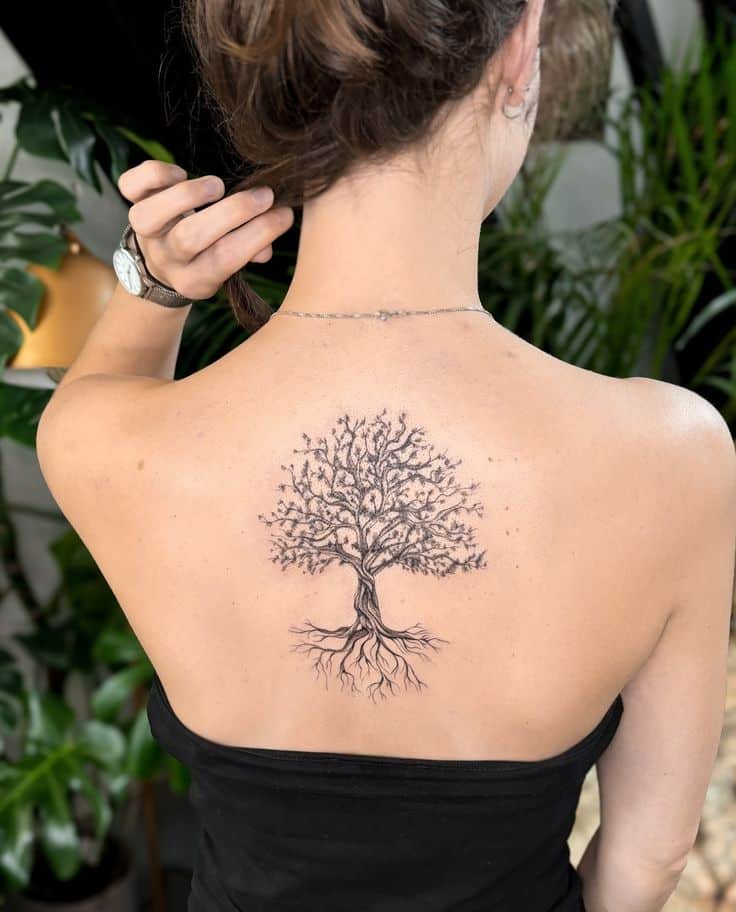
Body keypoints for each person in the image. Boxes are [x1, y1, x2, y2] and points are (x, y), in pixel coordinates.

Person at [35, 1, 736, 910]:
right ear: (522, 46)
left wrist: (151, 285)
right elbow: (651, 856)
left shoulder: (103, 448)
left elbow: (96, 394)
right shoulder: (674, 460)